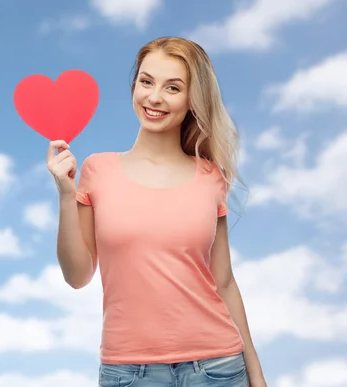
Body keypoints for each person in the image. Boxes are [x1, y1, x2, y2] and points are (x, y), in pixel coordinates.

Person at [46, 37, 266, 386]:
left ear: (193, 99)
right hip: (129, 372)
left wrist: (256, 373)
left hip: (217, 368)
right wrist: (64, 194)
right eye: (146, 81)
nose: (154, 97)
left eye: (173, 87)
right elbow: (77, 276)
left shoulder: (211, 177)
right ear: (134, 85)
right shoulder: (97, 171)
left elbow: (223, 281)